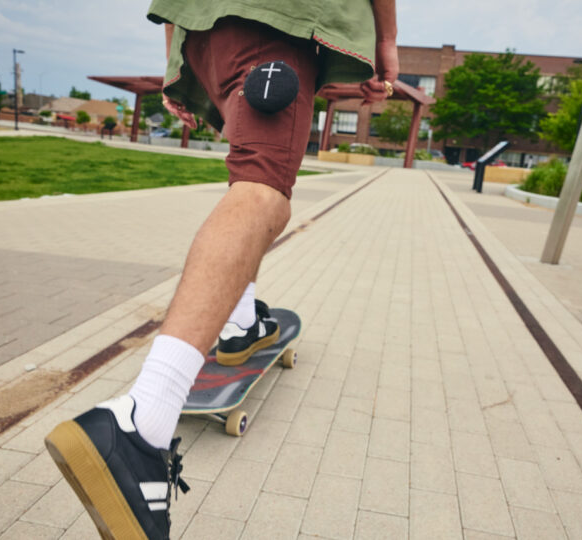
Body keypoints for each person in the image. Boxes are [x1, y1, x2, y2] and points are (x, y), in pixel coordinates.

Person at [44, 1, 398, 538]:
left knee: (249, 183)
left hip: (203, 38)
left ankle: (236, 323)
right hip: (276, 21)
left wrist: (175, 65)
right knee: (264, 194)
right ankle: (142, 420)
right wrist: (385, 45)